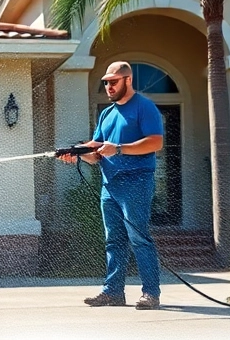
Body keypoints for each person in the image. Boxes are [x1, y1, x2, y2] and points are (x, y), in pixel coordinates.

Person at [60, 61, 165, 310]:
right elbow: (96, 152)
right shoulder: (107, 114)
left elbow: (155, 142)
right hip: (110, 186)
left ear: (128, 80)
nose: (109, 86)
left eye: (113, 82)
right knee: (113, 240)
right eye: (106, 82)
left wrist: (118, 148)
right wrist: (76, 152)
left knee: (138, 238)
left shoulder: (144, 107)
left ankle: (151, 293)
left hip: (136, 182)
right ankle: (113, 292)